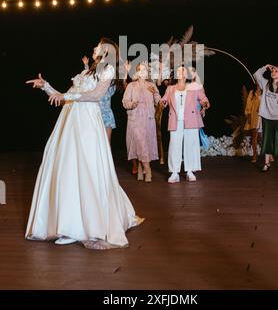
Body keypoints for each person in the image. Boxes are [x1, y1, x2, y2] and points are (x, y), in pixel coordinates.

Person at [25, 38, 144, 249]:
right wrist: (46, 87)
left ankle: (86, 226)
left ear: (107, 49)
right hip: (69, 122)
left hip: (88, 122)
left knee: (88, 169)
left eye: (98, 45)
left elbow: (96, 95)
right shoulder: (86, 73)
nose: (94, 47)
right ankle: (69, 225)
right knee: (67, 169)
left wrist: (68, 95)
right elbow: (65, 97)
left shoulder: (107, 70)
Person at [160, 66, 210, 183]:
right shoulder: (170, 88)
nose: (181, 73)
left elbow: (203, 99)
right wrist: (162, 102)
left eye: (183, 71)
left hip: (191, 119)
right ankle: (174, 173)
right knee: (174, 146)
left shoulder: (194, 87)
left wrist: (205, 103)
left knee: (191, 145)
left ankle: (190, 171)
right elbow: (164, 100)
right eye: (178, 71)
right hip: (175, 120)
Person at [122, 63, 160, 183]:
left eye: (144, 69)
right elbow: (125, 101)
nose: (142, 71)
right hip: (135, 117)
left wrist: (155, 93)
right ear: (136, 72)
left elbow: (158, 101)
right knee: (140, 141)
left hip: (148, 118)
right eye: (140, 69)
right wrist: (131, 104)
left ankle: (140, 167)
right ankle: (147, 170)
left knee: (145, 143)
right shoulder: (131, 86)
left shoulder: (151, 85)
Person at [254, 64, 278, 172]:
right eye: (273, 70)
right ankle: (267, 163)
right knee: (267, 139)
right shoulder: (266, 83)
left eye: (276, 71)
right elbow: (256, 74)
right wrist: (266, 66)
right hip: (267, 116)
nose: (273, 72)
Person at [244, 83, 262, 162]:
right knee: (254, 137)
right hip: (255, 117)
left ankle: (269, 155)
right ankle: (255, 155)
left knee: (263, 137)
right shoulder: (252, 92)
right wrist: (248, 115)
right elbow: (248, 105)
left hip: (264, 117)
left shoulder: (265, 91)